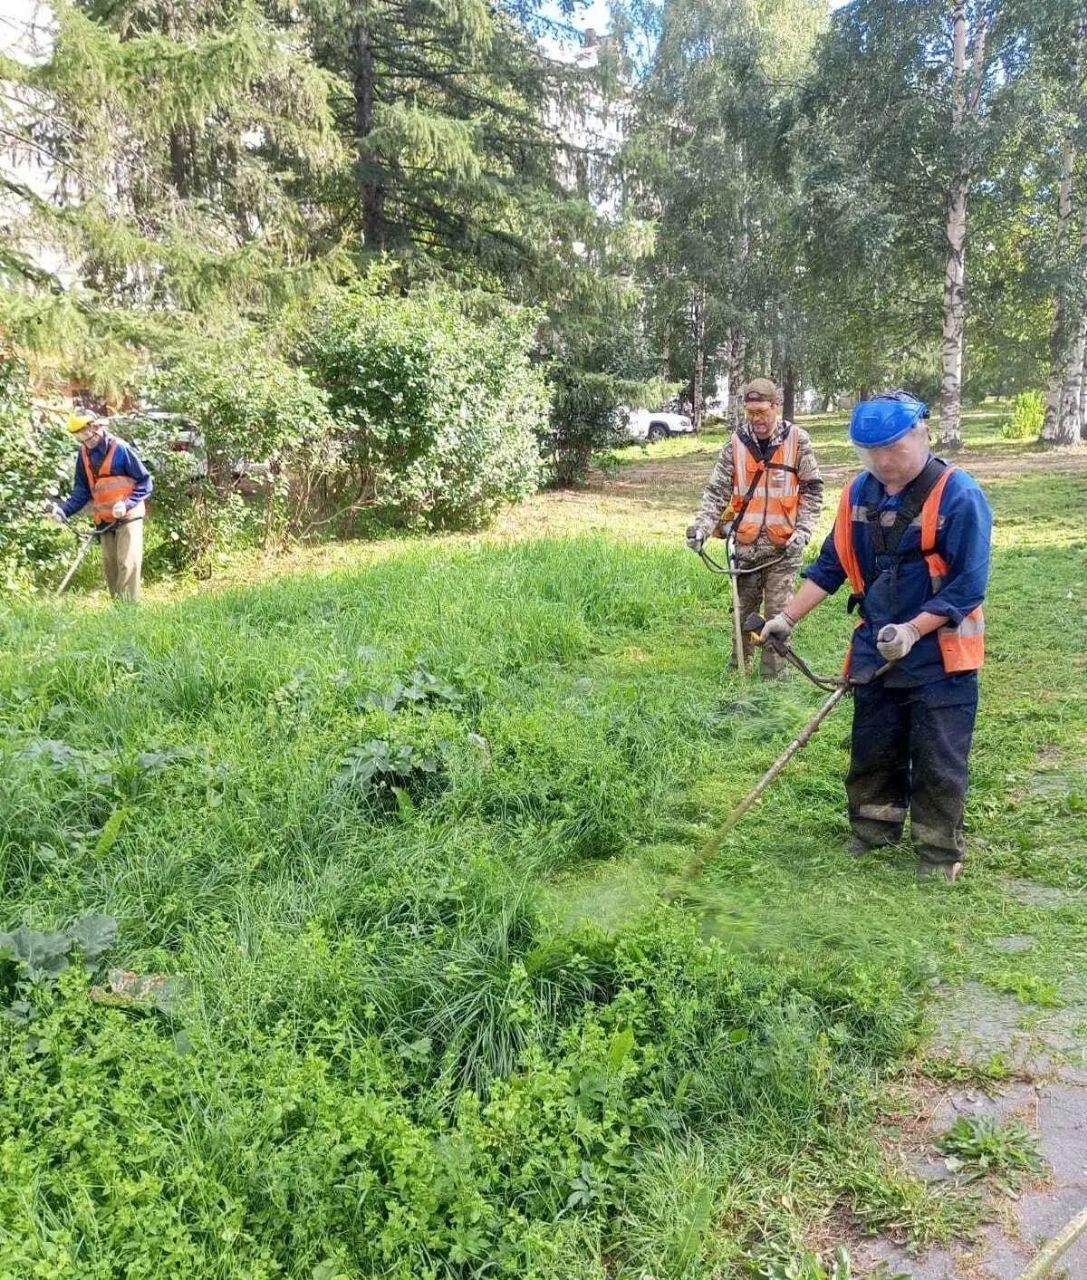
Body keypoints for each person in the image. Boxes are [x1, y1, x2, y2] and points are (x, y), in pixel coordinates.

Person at [759, 391, 992, 882]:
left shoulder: (960, 495)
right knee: (873, 744)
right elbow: (832, 564)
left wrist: (912, 630)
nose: (883, 462)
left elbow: (968, 586)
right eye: (871, 453)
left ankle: (937, 852)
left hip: (940, 654)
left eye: (893, 449)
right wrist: (787, 617)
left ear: (921, 435)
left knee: (937, 754)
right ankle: (872, 830)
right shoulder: (858, 495)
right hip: (876, 647)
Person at [686, 376, 824, 677]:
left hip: (783, 550)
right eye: (751, 413)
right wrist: (702, 528)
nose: (756, 419)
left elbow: (813, 491)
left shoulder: (797, 440)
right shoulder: (736, 443)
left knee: (777, 616)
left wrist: (803, 531)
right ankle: (739, 674)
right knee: (742, 616)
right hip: (745, 549)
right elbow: (716, 493)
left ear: (776, 406)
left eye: (762, 412)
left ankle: (773, 683)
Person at [52, 413, 153, 601]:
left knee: (127, 563)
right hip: (104, 519)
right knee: (111, 566)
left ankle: (129, 613)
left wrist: (127, 503)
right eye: (80, 437)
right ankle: (118, 613)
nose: (86, 441)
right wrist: (64, 510)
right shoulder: (83, 455)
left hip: (129, 515)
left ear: (96, 428)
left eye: (88, 436)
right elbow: (82, 490)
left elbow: (145, 482)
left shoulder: (121, 449)